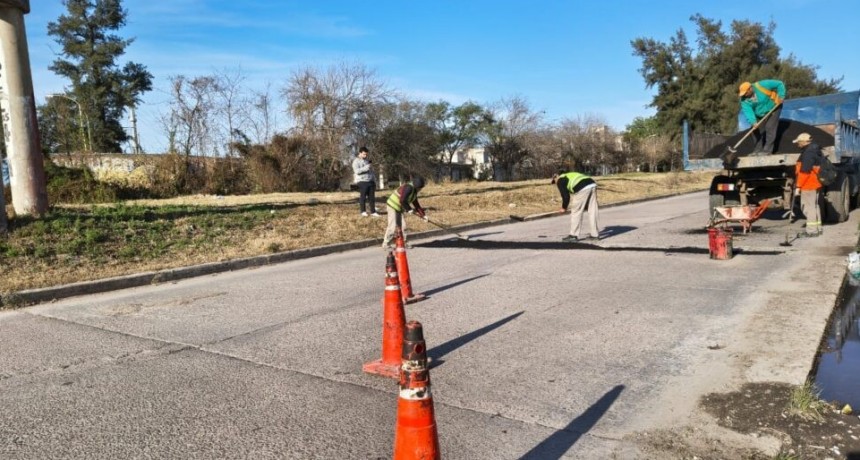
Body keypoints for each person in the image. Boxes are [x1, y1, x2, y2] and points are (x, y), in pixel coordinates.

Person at [738, 79, 786, 155]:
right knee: (754, 129)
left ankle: (767, 151)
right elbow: (748, 112)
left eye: (745, 93)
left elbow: (779, 84)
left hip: (774, 107)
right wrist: (753, 122)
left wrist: (781, 95)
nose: (744, 95)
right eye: (743, 94)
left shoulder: (762, 85)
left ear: (750, 88)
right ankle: (757, 150)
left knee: (769, 127)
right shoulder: (744, 100)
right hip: (759, 113)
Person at [552, 171, 600, 242]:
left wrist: (564, 208)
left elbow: (566, 197)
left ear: (556, 176)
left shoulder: (560, 180)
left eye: (554, 181)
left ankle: (573, 235)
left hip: (582, 188)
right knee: (592, 210)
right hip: (592, 184)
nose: (555, 183)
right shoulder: (569, 175)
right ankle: (595, 235)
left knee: (576, 211)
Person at [382, 176, 427, 249]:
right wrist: (409, 209)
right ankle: (386, 243)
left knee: (403, 226)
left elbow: (416, 204)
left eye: (421, 188)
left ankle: (403, 242)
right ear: (416, 185)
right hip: (392, 206)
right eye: (419, 188)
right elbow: (402, 200)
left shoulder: (414, 191)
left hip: (399, 208)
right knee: (392, 226)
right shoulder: (408, 188)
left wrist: (423, 215)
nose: (420, 189)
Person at [792, 132, 823, 237]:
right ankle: (818, 228)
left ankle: (811, 231)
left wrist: (798, 186)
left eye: (799, 142)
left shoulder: (808, 153)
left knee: (807, 207)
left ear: (804, 142)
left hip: (808, 184)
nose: (798, 144)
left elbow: (804, 172)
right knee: (814, 206)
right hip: (815, 183)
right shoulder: (815, 150)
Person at [352, 146, 379, 217]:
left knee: (372, 197)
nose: (365, 155)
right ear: (360, 153)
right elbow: (356, 171)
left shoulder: (367, 160)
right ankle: (363, 211)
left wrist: (374, 179)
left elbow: (370, 171)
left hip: (370, 181)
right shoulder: (355, 161)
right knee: (363, 197)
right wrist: (365, 168)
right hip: (362, 181)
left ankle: (373, 212)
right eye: (364, 154)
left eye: (366, 154)